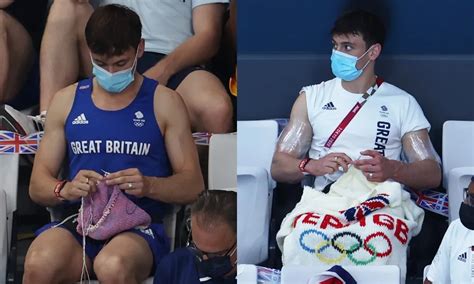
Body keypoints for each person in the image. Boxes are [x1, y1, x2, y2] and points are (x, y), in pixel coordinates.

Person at [22, 5, 204, 284]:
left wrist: (150, 185)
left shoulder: (164, 102)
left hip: (139, 225)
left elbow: (193, 185)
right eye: (100, 63)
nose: (110, 72)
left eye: (120, 64)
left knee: (113, 266)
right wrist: (65, 188)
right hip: (81, 222)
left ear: (139, 49)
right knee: (38, 263)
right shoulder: (66, 100)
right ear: (89, 53)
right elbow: (37, 185)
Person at [271, 10, 441, 192]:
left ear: (373, 52)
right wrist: (310, 165)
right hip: (325, 202)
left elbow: (432, 173)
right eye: (335, 46)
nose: (338, 53)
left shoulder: (402, 102)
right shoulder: (311, 97)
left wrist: (394, 169)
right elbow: (279, 166)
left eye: (348, 47)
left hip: (382, 203)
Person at [35, 0, 232, 134]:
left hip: (175, 60)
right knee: (65, 5)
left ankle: (200, 188)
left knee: (216, 109)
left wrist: (162, 71)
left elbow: (209, 36)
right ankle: (46, 126)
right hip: (107, 56)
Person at [154, 189, 237, 284]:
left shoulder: (256, 276)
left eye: (216, 255)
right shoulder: (173, 268)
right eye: (196, 249)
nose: (204, 259)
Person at [424, 177, 474, 284]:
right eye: (468, 196)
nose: (466, 202)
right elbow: (434, 279)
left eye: (473, 200)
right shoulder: (456, 227)